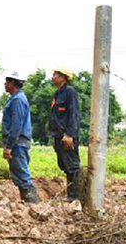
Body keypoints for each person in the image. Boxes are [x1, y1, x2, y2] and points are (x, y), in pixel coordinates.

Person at [2, 71, 39, 203]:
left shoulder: (17, 100)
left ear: (12, 82)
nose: (4, 84)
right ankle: (29, 204)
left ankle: (33, 205)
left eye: (6, 81)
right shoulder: (16, 98)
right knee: (19, 172)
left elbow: (16, 125)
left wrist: (9, 146)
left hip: (18, 142)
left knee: (22, 174)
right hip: (19, 142)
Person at [49, 68, 82, 202]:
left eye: (55, 74)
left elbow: (74, 114)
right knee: (64, 165)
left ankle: (76, 196)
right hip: (59, 135)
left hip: (67, 135)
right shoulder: (57, 94)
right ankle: (71, 195)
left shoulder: (69, 92)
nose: (53, 77)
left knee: (72, 166)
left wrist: (69, 135)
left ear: (63, 77)